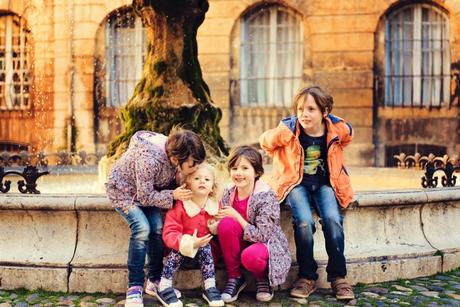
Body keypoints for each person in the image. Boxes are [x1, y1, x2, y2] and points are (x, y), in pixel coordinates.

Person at [259, 86, 355, 300]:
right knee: (303, 222)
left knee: (332, 219)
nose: (304, 113)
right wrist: (281, 134)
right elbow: (265, 143)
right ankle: (307, 277)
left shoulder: (335, 129)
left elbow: (349, 134)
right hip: (296, 184)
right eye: (300, 108)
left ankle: (338, 277)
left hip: (324, 184)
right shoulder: (289, 129)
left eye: (311, 109)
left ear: (325, 111)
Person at [105, 129, 206, 307]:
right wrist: (173, 195)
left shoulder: (173, 151)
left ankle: (154, 281)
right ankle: (134, 286)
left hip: (150, 193)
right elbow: (145, 198)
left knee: (158, 228)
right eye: (192, 164)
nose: (195, 168)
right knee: (142, 228)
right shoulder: (149, 160)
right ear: (176, 159)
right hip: (124, 194)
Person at [216, 145, 291, 303]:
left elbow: (262, 235)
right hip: (240, 242)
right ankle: (235, 277)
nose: (239, 173)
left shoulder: (265, 196)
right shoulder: (228, 192)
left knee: (251, 256)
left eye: (245, 168)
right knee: (225, 224)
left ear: (257, 172)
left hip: (264, 244)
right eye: (235, 168)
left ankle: (262, 278)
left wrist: (237, 216)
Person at [156, 163, 224, 307]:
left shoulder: (215, 206)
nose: (202, 181)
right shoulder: (180, 206)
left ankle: (210, 286)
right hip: (180, 254)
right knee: (179, 249)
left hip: (206, 256)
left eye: (207, 179)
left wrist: (216, 228)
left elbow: (226, 226)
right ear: (188, 184)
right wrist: (190, 243)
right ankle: (164, 286)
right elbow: (170, 233)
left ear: (212, 187)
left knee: (205, 248)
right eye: (197, 178)